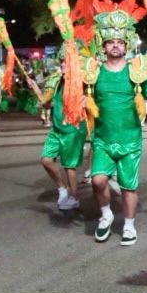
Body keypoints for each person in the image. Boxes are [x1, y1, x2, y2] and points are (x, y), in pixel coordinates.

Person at [81, 0, 147, 244]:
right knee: (97, 180)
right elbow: (77, 97)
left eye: (119, 42)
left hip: (130, 140)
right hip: (103, 139)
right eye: (111, 43)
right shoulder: (93, 72)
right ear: (103, 46)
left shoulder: (136, 72)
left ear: (125, 45)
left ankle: (128, 225)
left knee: (129, 187)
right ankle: (106, 215)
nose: (115, 46)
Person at [37, 35, 88, 211]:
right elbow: (45, 103)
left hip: (73, 129)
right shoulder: (57, 81)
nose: (62, 65)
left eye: (65, 62)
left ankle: (74, 196)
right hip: (57, 128)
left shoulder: (81, 82)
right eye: (61, 62)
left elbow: (92, 99)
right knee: (45, 160)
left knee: (69, 166)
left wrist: (87, 100)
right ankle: (62, 188)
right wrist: (36, 88)